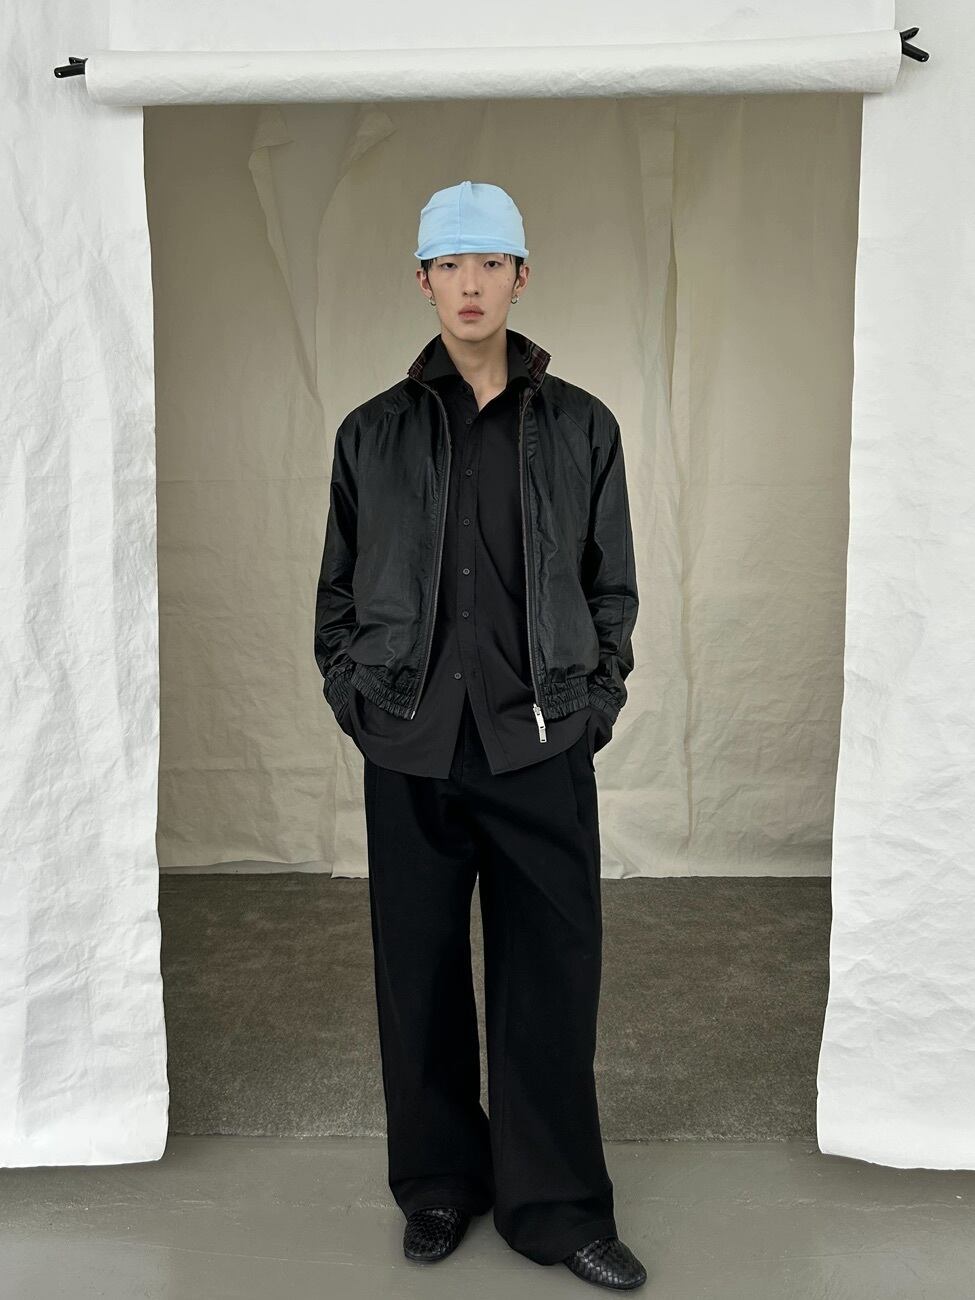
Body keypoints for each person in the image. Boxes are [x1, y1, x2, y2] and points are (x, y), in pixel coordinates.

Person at [315, 180, 644, 1290]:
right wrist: (359, 703)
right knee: (417, 979)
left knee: (551, 979)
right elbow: (336, 597)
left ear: (519, 276)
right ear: (422, 281)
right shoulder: (371, 433)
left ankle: (556, 1207)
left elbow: (610, 590)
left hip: (538, 742)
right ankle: (440, 1185)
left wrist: (593, 707)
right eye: (449, 265)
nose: (469, 284)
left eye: (489, 263)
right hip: (410, 744)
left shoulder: (583, 426)